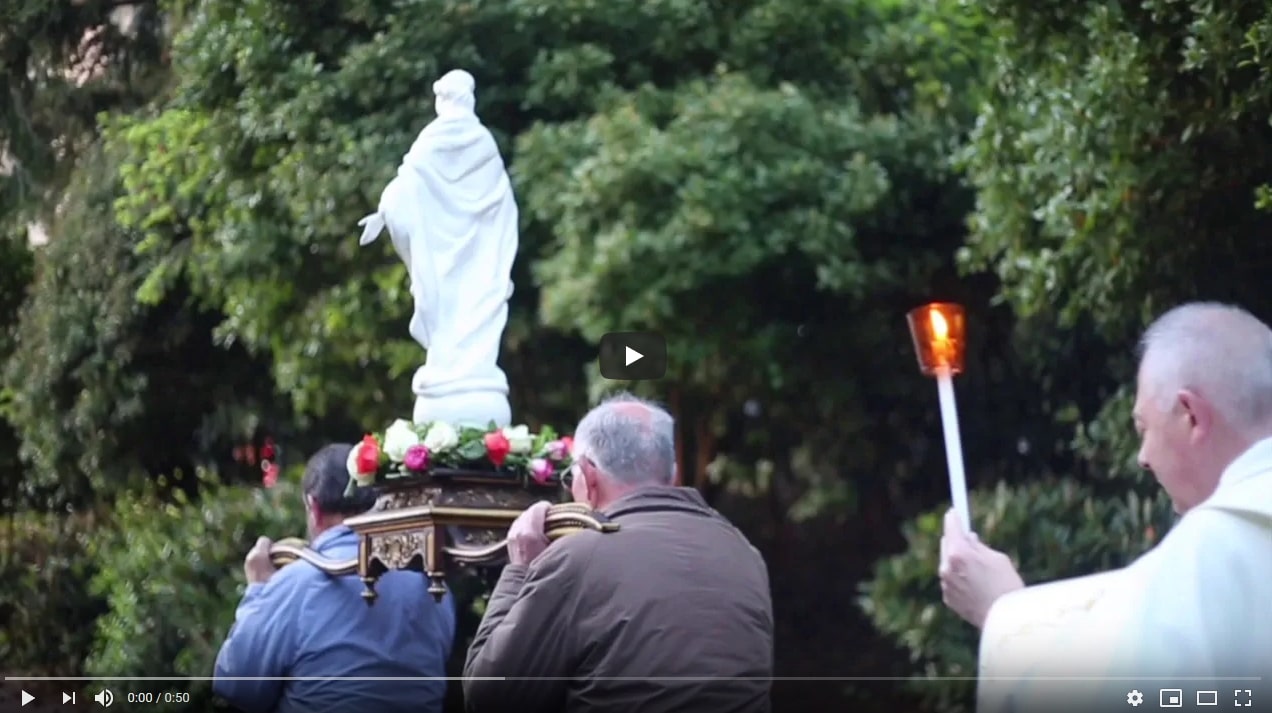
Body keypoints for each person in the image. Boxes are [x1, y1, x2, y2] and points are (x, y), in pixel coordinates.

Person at [940, 303, 1272, 711]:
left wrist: (1002, 613)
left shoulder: (1212, 553)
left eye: (1143, 429)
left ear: (1190, 416)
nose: (1143, 458)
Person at [463, 393, 775, 713]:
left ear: (586, 474)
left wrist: (520, 570)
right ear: (673, 474)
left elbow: (488, 698)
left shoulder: (578, 559)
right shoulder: (745, 554)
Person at [213, 444, 456, 713]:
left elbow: (236, 686)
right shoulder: (432, 583)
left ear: (313, 507)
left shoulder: (295, 584)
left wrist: (258, 589)